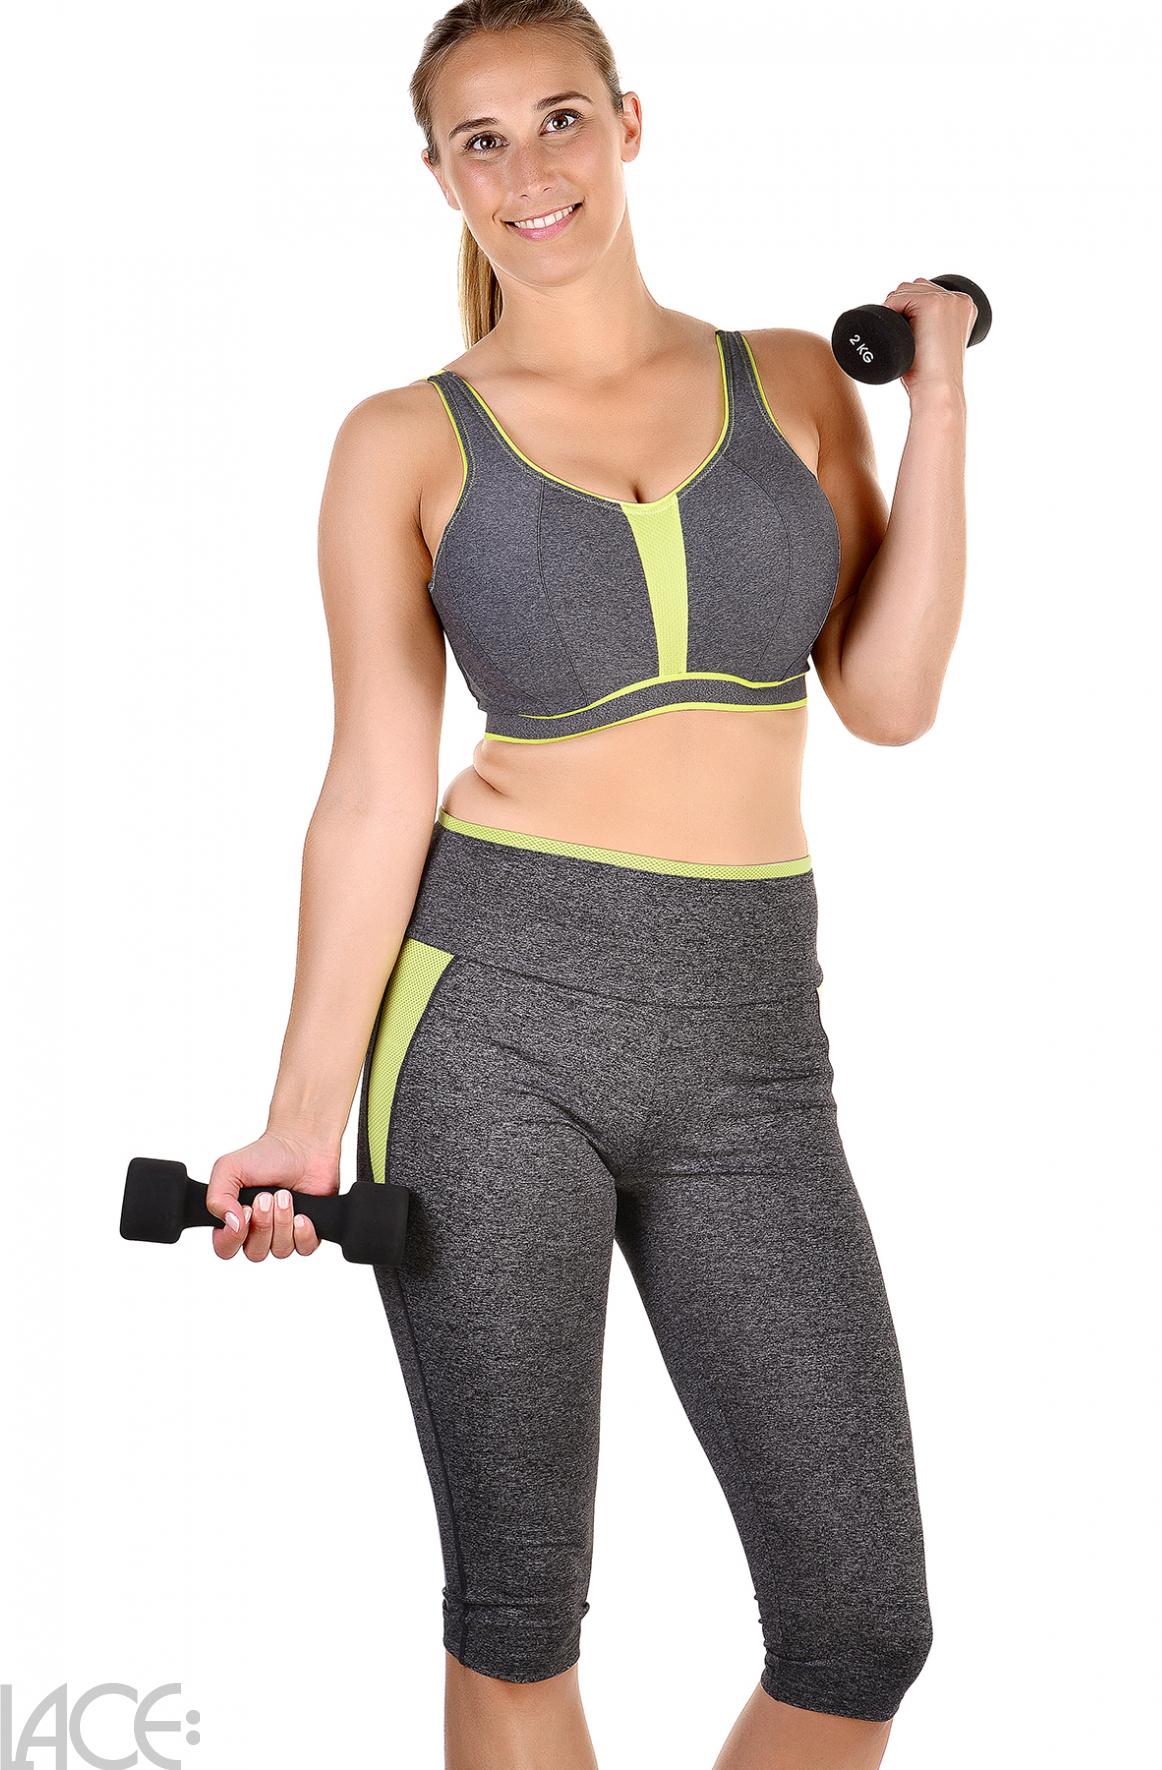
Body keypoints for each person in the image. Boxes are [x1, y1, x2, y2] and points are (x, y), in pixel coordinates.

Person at [206, 3, 974, 1766]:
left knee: (861, 1620)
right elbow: (374, 786)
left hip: (752, 1048)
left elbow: (888, 696)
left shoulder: (791, 381)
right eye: (480, 141)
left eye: (559, 119)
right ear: (438, 176)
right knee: (518, 1605)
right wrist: (301, 1117)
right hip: (489, 1034)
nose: (527, 169)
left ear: (629, 123)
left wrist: (937, 399)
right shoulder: (402, 439)